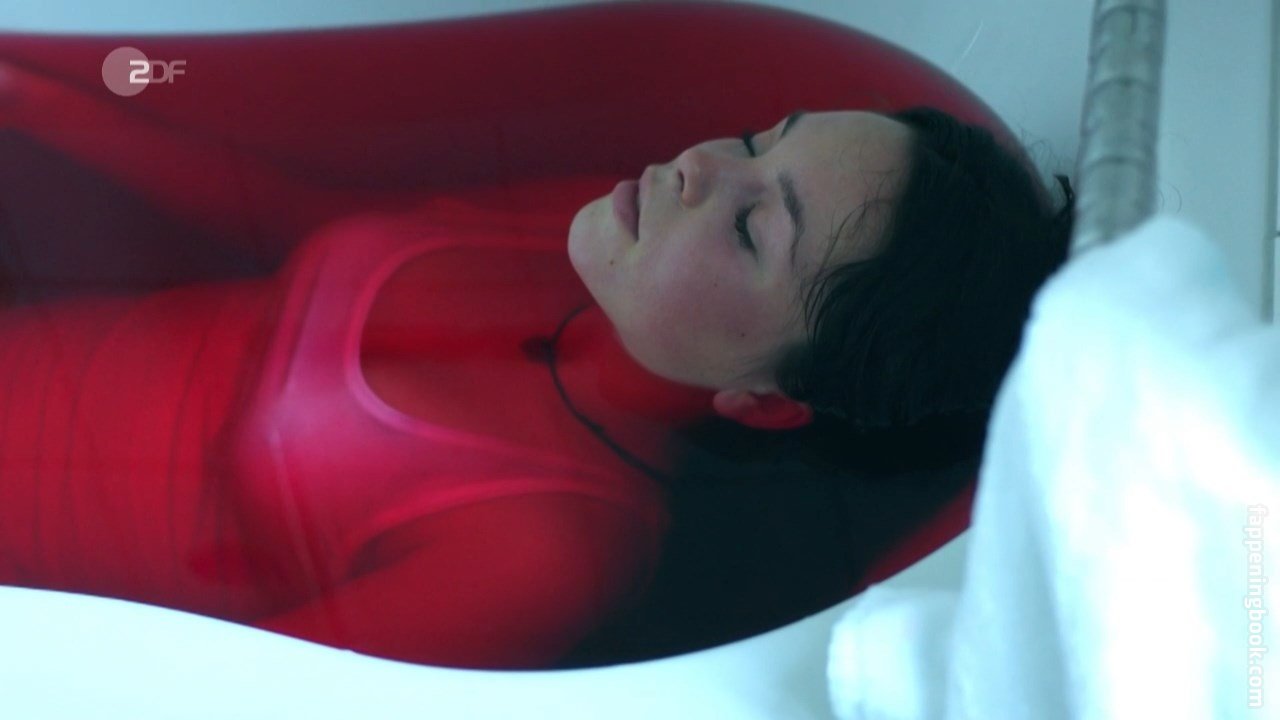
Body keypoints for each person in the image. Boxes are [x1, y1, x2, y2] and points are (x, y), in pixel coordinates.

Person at [0, 63, 1072, 669]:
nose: (700, 168)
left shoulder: (544, 552)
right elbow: (274, 211)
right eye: (757, 141)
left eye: (754, 228)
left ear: (764, 404)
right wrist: (45, 100)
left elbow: (214, 687)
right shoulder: (597, 240)